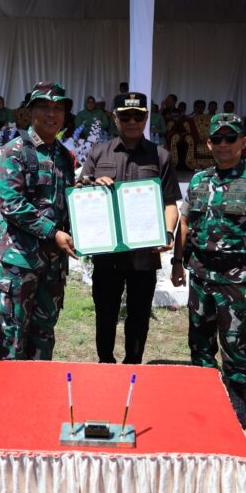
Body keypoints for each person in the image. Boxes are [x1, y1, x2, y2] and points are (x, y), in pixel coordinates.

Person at [171, 113, 246, 428]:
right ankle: (204, 388)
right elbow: (185, 222)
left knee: (235, 337)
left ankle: (236, 394)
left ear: (243, 141)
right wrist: (178, 262)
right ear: (208, 143)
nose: (223, 145)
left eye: (230, 138)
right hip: (201, 272)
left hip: (238, 274)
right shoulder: (198, 180)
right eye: (216, 139)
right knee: (200, 336)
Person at [79, 92, 182, 364]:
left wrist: (168, 233)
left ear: (146, 117)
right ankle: (105, 362)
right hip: (107, 253)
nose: (132, 121)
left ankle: (133, 364)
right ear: (115, 118)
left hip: (144, 255)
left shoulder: (160, 156)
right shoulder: (98, 152)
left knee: (139, 316)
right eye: (125, 115)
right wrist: (91, 185)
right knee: (106, 313)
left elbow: (170, 203)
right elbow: (79, 193)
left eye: (138, 115)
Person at [0, 81, 77, 360]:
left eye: (58, 108)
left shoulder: (64, 157)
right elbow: (11, 205)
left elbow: (66, 204)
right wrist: (53, 232)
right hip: (20, 262)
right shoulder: (13, 151)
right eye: (44, 107)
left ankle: (37, 399)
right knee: (13, 334)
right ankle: (5, 401)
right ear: (30, 111)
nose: (52, 114)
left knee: (44, 333)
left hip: (52, 265)